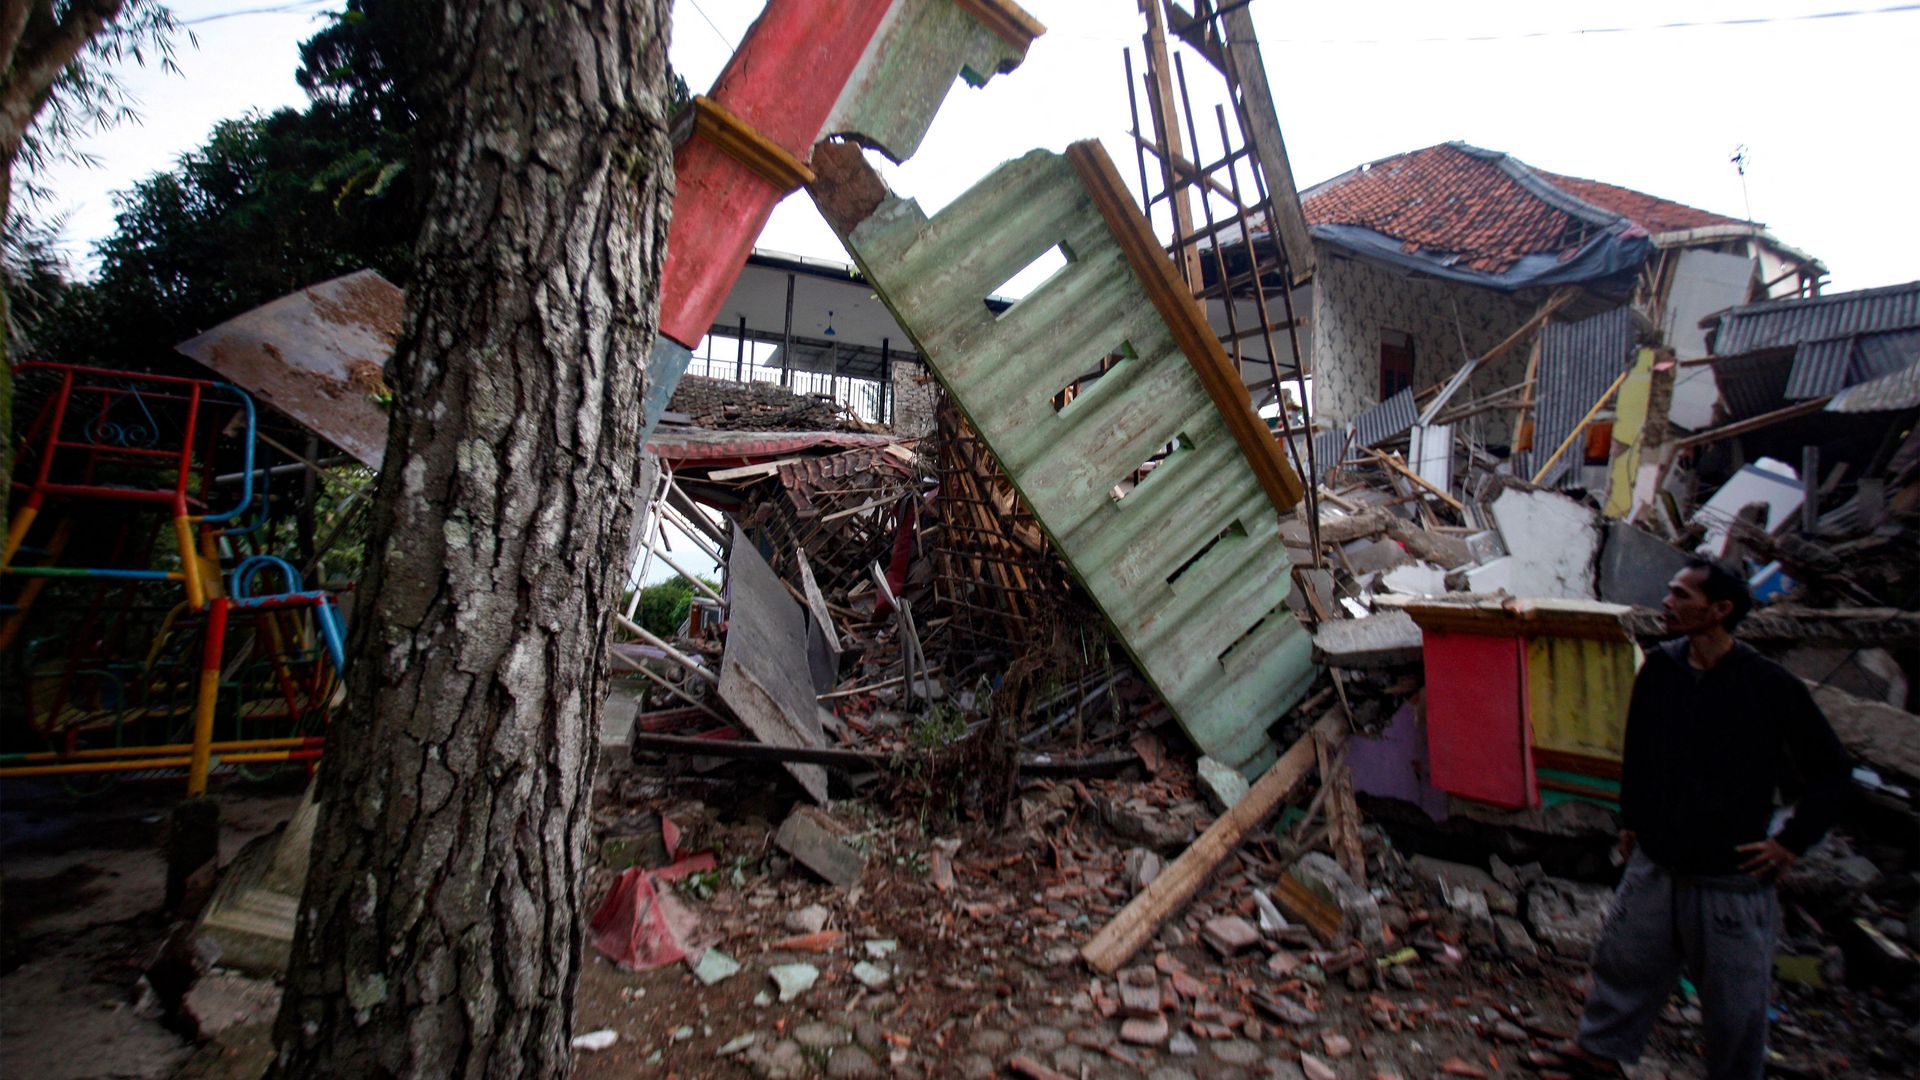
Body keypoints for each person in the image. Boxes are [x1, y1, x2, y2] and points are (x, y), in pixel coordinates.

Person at [1541, 557, 1851, 1080]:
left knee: (1734, 998)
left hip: (1729, 875)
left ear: (1721, 610)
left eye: (1682, 595)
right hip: (1659, 858)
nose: (1668, 602)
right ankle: (1600, 1052)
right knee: (1625, 962)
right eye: (1671, 592)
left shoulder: (1767, 686)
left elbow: (1833, 772)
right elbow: (1639, 749)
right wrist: (1632, 817)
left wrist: (1791, 842)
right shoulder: (1662, 667)